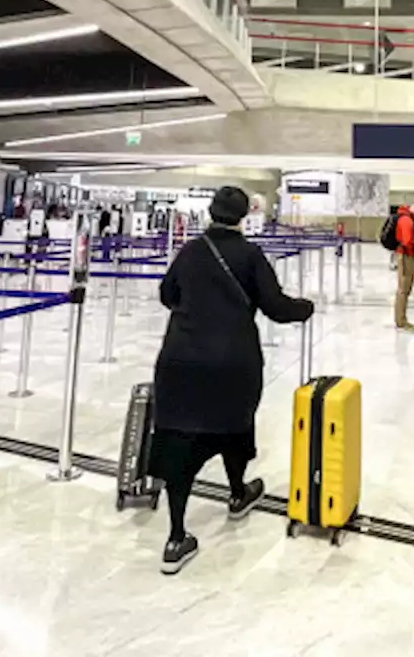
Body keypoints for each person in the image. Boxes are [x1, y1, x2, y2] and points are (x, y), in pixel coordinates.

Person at [150, 185, 315, 574]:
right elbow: (275, 307)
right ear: (245, 215)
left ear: (210, 211)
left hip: (180, 360)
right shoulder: (249, 255)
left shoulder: (190, 251)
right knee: (233, 427)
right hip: (232, 361)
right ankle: (238, 493)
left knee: (178, 439)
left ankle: (176, 536)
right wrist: (306, 308)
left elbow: (166, 294)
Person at [392, 199, 414, 332]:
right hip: (406, 255)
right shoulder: (407, 220)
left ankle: (401, 319)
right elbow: (407, 241)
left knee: (404, 288)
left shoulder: (406, 218)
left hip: (405, 254)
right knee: (404, 288)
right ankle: (401, 321)